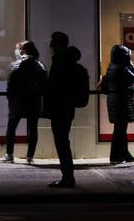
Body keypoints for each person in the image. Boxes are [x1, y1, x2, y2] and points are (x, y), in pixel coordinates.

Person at [44, 32, 89, 188]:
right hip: (66, 109)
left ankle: (68, 177)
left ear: (57, 45)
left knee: (62, 142)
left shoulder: (60, 64)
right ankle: (67, 176)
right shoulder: (67, 63)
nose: (50, 47)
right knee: (63, 141)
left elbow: (56, 89)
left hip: (59, 109)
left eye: (52, 44)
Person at [0, 40, 47, 165]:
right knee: (33, 128)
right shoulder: (40, 64)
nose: (17, 51)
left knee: (12, 127)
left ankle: (9, 154)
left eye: (18, 48)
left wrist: (10, 96)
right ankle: (30, 156)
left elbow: (11, 82)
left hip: (18, 100)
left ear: (23, 50)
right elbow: (44, 82)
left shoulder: (16, 64)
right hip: (34, 100)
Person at [102, 44, 134, 164]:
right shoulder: (122, 68)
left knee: (120, 129)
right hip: (121, 101)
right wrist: (132, 65)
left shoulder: (112, 65)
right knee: (120, 130)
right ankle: (116, 155)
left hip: (116, 100)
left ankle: (123, 153)